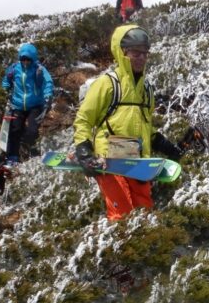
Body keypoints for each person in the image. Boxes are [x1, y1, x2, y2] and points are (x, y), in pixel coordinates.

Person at [73, 24, 183, 220]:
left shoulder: (146, 90)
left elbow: (145, 126)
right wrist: (83, 149)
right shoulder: (107, 84)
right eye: (136, 53)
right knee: (121, 215)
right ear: (123, 53)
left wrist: (165, 145)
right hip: (110, 159)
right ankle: (118, 248)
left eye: (145, 53)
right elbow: (83, 119)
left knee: (144, 214)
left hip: (137, 160)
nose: (141, 58)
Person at [1, 42, 54, 162]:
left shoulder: (39, 69)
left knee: (32, 130)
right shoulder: (14, 68)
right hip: (17, 104)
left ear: (33, 58)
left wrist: (48, 97)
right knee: (15, 130)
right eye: (23, 59)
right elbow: (6, 81)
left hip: (35, 105)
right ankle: (12, 157)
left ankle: (32, 153)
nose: (25, 62)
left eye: (28, 59)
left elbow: (48, 83)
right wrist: (5, 91)